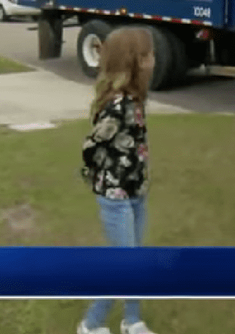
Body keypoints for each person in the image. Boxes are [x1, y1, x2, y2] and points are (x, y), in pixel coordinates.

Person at [78, 27, 157, 334]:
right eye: (149, 55)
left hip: (136, 191)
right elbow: (91, 146)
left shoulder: (135, 100)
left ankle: (132, 320)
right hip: (116, 196)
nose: (153, 61)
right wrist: (102, 176)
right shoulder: (117, 105)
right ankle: (91, 323)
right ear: (134, 61)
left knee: (136, 260)